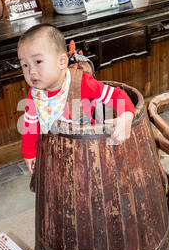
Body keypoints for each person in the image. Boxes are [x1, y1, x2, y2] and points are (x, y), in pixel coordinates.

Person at [18, 24, 135, 174]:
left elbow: (117, 95)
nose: (31, 71)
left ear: (62, 61)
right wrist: (29, 154)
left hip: (87, 150)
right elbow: (30, 125)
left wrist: (126, 116)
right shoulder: (36, 94)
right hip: (55, 152)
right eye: (25, 65)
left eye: (38, 62)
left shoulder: (82, 83)